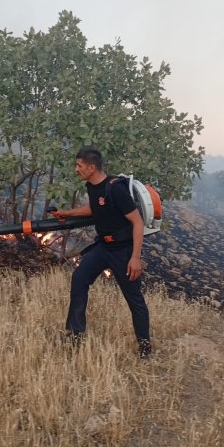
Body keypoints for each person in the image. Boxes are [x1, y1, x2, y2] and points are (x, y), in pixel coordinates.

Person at [49, 147, 153, 358]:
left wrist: (135, 258)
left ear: (91, 167)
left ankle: (145, 347)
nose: (76, 169)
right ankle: (75, 335)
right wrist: (68, 213)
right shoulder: (92, 186)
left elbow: (137, 222)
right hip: (103, 247)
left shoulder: (116, 189)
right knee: (79, 278)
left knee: (134, 299)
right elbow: (95, 208)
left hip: (123, 251)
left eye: (79, 165)